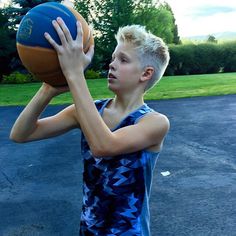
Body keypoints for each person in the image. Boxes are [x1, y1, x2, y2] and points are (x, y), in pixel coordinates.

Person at [10, 17, 170, 236]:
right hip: (89, 228)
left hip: (129, 232)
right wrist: (49, 88)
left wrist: (74, 73)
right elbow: (21, 134)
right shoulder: (87, 112)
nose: (112, 64)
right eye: (113, 57)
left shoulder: (154, 122)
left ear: (146, 73)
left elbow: (103, 146)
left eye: (123, 60)